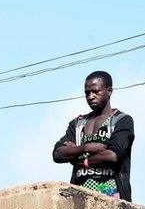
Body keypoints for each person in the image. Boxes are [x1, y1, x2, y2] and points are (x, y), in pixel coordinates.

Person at [52, 71, 134, 201]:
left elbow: (113, 155)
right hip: (79, 196)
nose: (91, 96)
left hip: (111, 196)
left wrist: (80, 160)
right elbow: (58, 153)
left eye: (95, 91)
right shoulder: (78, 124)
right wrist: (85, 148)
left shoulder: (121, 120)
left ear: (109, 91)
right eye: (87, 93)